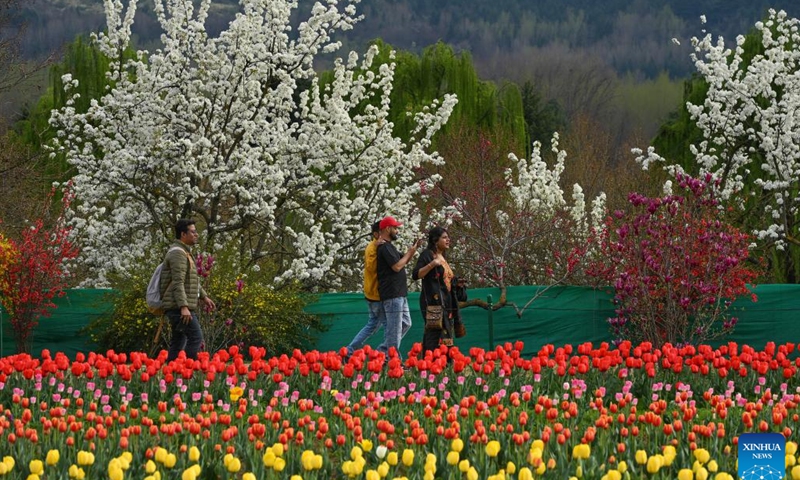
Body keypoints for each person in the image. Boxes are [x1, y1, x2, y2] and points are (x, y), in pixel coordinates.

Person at [160, 218, 216, 361]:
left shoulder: (185, 252)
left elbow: (191, 280)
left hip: (179, 305)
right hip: (178, 306)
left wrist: (204, 296)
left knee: (178, 342)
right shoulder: (177, 253)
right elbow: (178, 282)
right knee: (196, 337)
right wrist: (183, 307)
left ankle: (171, 374)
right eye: (193, 232)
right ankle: (188, 369)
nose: (196, 234)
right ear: (183, 234)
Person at [376, 215, 424, 360]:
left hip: (399, 294)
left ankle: (382, 352)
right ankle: (393, 359)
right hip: (392, 294)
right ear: (387, 228)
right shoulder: (384, 247)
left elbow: (403, 261)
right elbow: (396, 267)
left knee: (405, 323)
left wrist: (413, 250)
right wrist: (409, 253)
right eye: (395, 228)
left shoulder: (390, 247)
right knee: (395, 329)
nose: (397, 231)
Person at [412, 226, 466, 353]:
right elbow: (416, 274)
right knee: (435, 332)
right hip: (433, 303)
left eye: (448, 237)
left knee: (442, 332)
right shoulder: (428, 255)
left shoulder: (443, 258)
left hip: (446, 303)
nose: (448, 240)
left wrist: (457, 284)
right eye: (444, 237)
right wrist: (432, 265)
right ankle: (435, 362)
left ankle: (437, 362)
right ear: (436, 240)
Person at [345, 221, 386, 357]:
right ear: (376, 234)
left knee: (373, 324)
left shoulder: (375, 246)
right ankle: (383, 352)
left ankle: (350, 350)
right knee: (379, 325)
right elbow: (371, 267)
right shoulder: (372, 247)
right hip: (375, 294)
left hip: (373, 293)